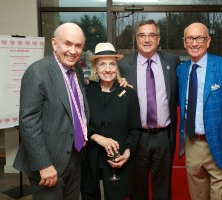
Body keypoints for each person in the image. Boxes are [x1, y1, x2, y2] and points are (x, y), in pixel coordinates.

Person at [13, 22, 90, 199]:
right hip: (49, 163)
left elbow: (76, 106)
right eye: (68, 44)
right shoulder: (37, 72)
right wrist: (44, 165)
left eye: (78, 45)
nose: (73, 50)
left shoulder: (76, 69)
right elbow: (28, 122)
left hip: (74, 156)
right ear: (55, 43)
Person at [177, 22, 222, 200]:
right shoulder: (182, 70)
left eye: (199, 38)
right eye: (190, 39)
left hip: (221, 143)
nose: (195, 43)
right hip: (192, 142)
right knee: (197, 196)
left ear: (208, 41)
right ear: (184, 42)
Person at [118, 19, 180, 200]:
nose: (147, 40)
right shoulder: (123, 65)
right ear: (136, 39)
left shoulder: (172, 61)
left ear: (158, 39)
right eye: (142, 35)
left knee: (163, 189)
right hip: (137, 137)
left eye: (151, 35)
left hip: (164, 136)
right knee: (137, 189)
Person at [80, 42, 142, 200]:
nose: (107, 69)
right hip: (90, 162)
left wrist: (127, 153)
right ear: (95, 67)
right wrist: (97, 137)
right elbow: (79, 125)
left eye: (112, 64)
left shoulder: (129, 93)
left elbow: (136, 129)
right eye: (102, 64)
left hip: (118, 162)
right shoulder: (86, 92)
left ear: (117, 66)